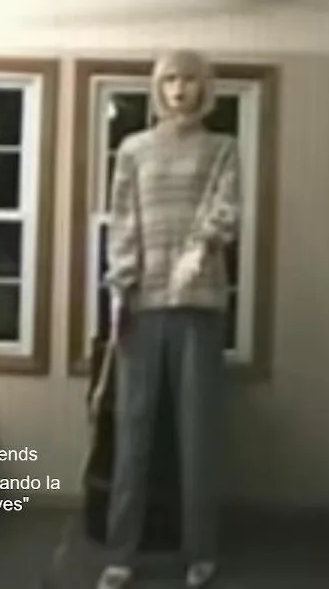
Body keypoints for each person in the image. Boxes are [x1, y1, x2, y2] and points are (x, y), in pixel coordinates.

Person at [97, 49, 240, 589]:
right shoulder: (134, 149)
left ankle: (201, 550)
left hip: (199, 306)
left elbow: (225, 211)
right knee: (132, 431)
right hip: (143, 305)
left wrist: (197, 252)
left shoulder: (223, 148)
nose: (179, 90)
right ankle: (120, 553)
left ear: (205, 87)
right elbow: (122, 221)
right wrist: (121, 285)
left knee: (198, 433)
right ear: (158, 88)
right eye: (170, 80)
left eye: (190, 80)